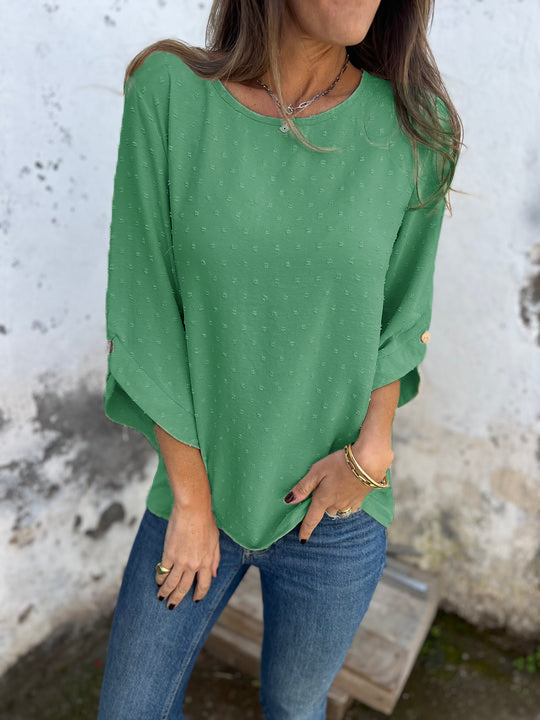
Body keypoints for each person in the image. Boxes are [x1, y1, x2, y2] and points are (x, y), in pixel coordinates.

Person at [98, 0, 462, 718]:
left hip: (336, 507)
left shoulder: (415, 129)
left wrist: (372, 453)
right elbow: (144, 313)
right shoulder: (169, 95)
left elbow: (402, 316)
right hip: (198, 493)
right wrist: (192, 502)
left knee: (296, 709)